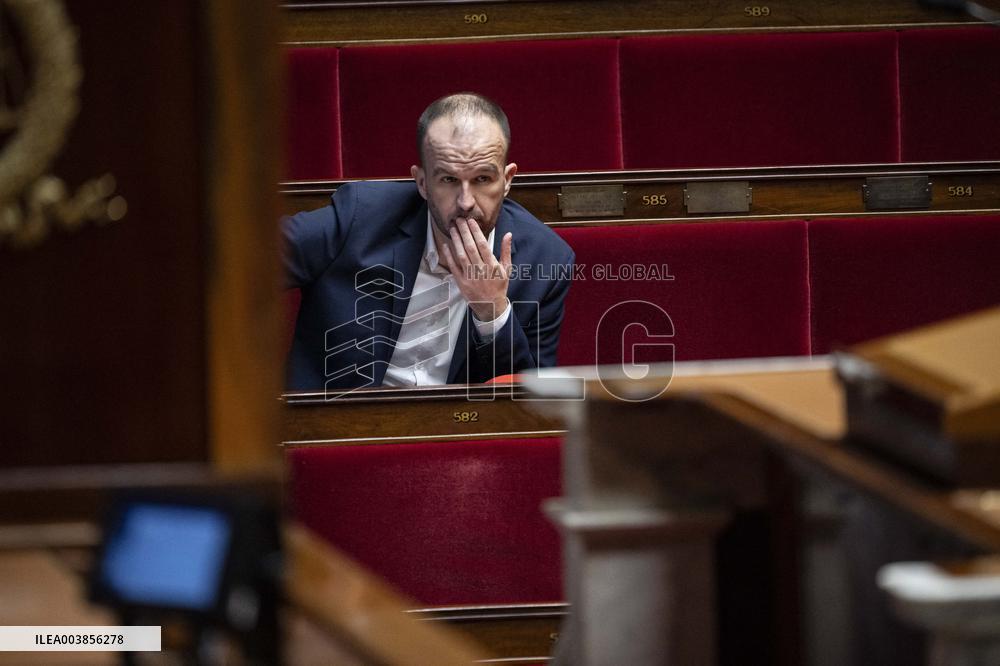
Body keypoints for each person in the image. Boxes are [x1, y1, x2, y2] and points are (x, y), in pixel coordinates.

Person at [283, 93, 575, 390]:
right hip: (339, 416)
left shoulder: (546, 258)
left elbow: (529, 400)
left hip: (457, 420)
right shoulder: (359, 217)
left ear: (507, 179)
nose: (466, 202)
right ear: (422, 182)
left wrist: (493, 312)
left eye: (482, 179)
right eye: (448, 179)